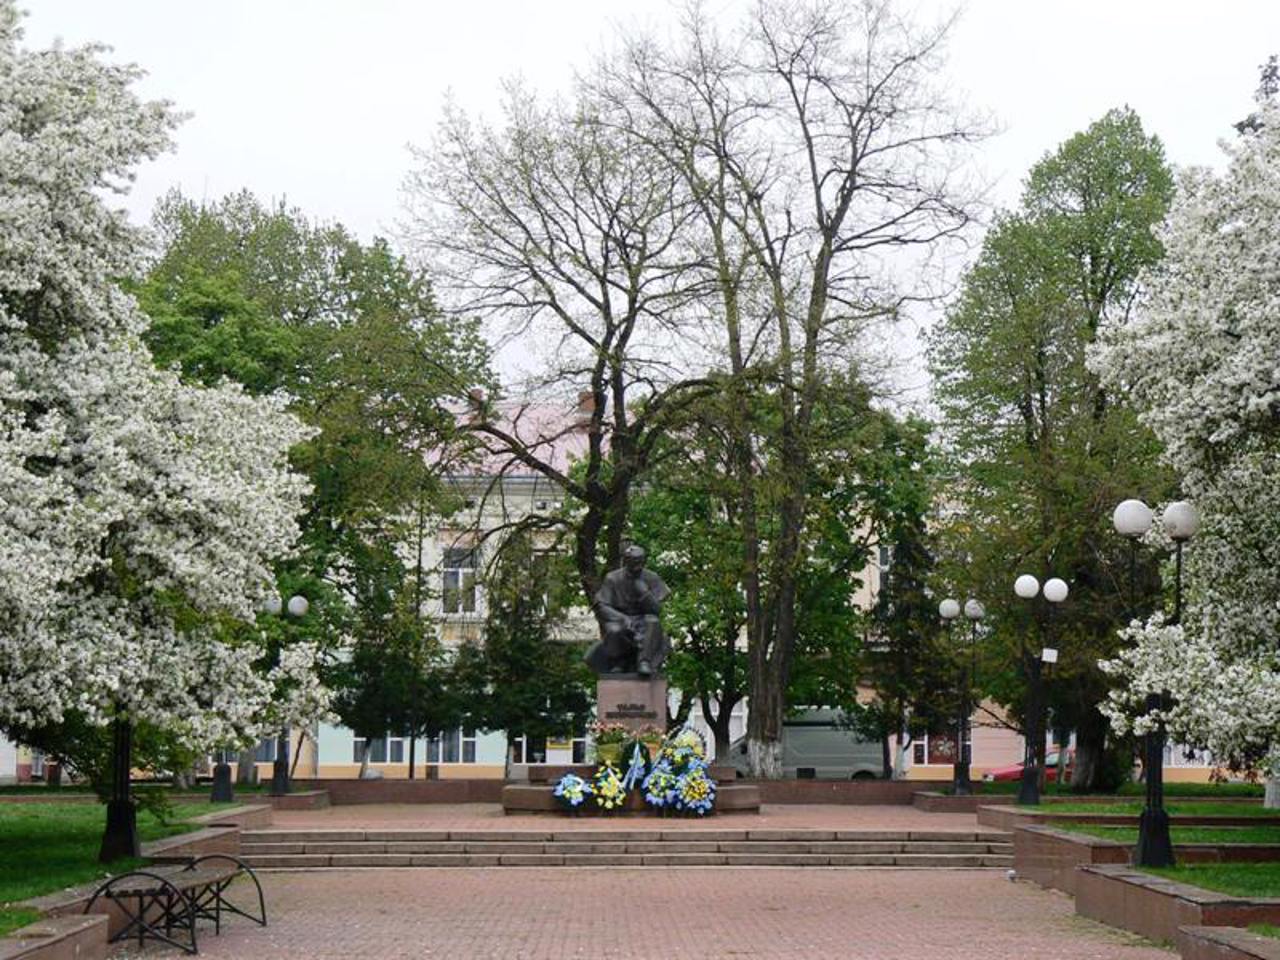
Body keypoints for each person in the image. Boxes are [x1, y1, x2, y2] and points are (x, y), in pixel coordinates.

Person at [584, 545, 670, 677]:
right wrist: (623, 619)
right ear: (626, 562)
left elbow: (656, 610)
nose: (639, 566)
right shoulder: (612, 578)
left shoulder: (652, 578)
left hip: (643, 619)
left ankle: (644, 661)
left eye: (641, 561)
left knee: (653, 621)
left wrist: (644, 593)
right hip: (619, 619)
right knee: (614, 630)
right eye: (635, 562)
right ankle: (618, 662)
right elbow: (602, 606)